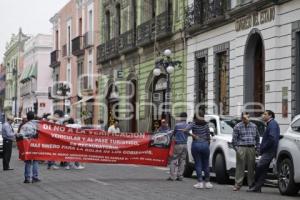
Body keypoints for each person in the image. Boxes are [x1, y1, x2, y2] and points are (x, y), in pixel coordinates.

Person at [247, 110, 280, 193]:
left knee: (259, 166)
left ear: (270, 116)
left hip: (269, 150)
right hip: (269, 150)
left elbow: (272, 138)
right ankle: (257, 187)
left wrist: (264, 148)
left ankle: (254, 185)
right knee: (263, 169)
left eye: (265, 114)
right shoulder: (270, 124)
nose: (263, 115)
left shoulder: (272, 124)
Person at [232, 112, 260, 191]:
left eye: (247, 118)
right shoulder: (237, 126)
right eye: (244, 118)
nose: (246, 119)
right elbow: (234, 140)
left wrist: (257, 149)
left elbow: (257, 138)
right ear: (241, 118)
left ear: (249, 118)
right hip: (242, 147)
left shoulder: (254, 126)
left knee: (251, 167)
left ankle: (251, 184)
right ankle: (238, 184)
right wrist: (237, 150)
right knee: (240, 167)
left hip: (251, 148)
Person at [185, 111, 213, 189]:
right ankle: (207, 182)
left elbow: (186, 131)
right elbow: (208, 136)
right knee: (206, 164)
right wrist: (207, 144)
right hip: (205, 144)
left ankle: (200, 182)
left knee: (198, 163)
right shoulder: (206, 124)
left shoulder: (193, 123)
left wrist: (193, 135)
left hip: (196, 144)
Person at [18, 111, 41, 183]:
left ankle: (27, 178)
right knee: (35, 160)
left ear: (27, 117)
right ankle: (35, 177)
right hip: (35, 144)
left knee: (28, 161)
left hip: (27, 145)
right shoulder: (38, 125)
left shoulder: (24, 126)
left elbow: (21, 135)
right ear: (33, 117)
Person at [167, 112, 189, 181]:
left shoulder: (177, 125)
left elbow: (173, 134)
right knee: (182, 160)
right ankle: (180, 176)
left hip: (178, 144)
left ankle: (172, 176)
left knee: (173, 160)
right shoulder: (188, 126)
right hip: (185, 145)